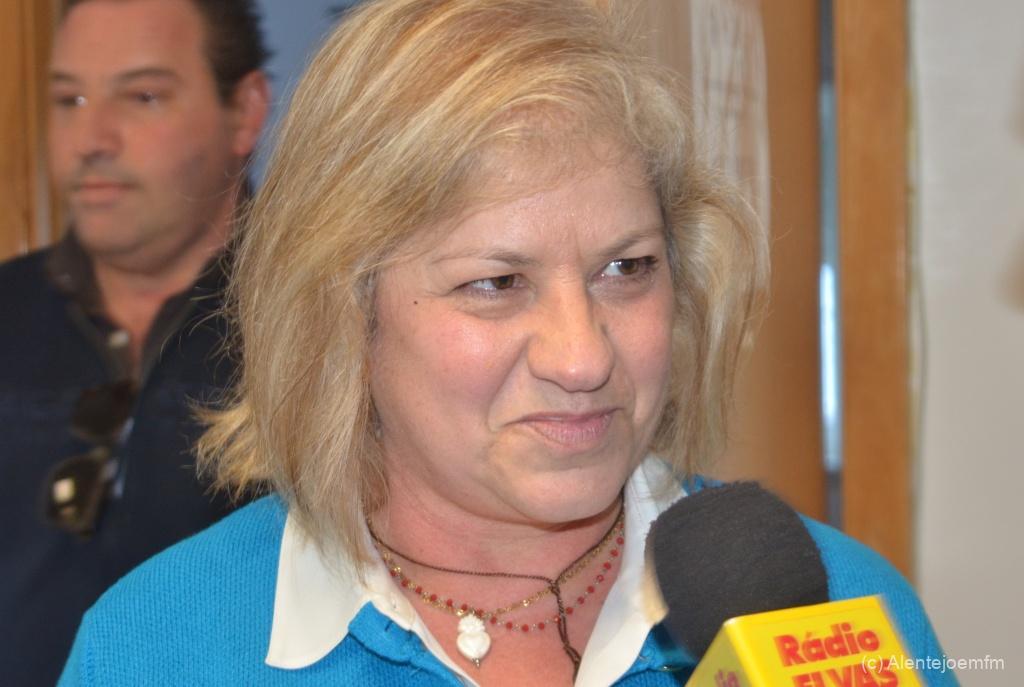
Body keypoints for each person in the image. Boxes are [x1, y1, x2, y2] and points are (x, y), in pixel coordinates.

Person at [58, 1, 955, 685]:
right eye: (496, 283)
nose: (583, 356)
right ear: (344, 314)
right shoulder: (157, 648)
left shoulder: (838, 611)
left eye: (626, 268)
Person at [0, 0, 269, 684]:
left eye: (143, 95)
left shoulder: (324, 325)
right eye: (70, 99)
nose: (91, 138)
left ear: (245, 112)